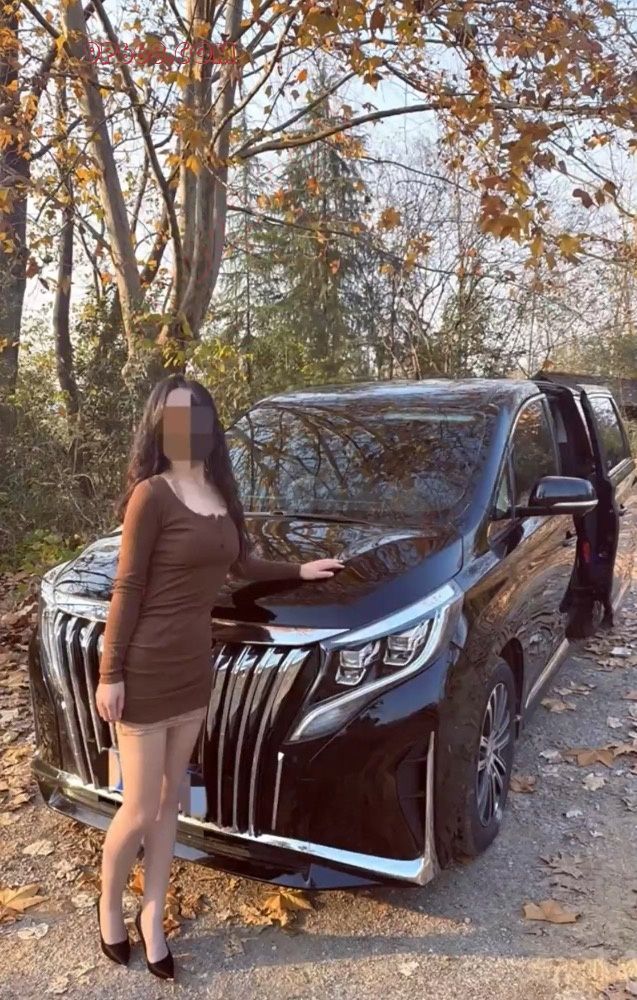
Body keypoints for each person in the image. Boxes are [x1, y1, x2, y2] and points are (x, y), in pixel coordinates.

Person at [94, 374, 344, 980]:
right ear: (159, 426)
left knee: (168, 803)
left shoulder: (219, 493)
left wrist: (300, 571)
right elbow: (127, 587)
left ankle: (153, 917)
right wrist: (110, 672)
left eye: (196, 416)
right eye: (175, 417)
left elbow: (243, 563)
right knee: (138, 806)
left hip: (193, 669)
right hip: (146, 667)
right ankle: (107, 906)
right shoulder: (151, 495)